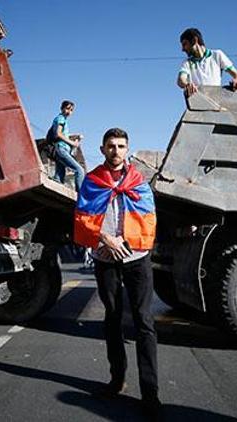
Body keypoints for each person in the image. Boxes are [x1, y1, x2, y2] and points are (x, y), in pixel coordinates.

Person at [73, 128, 160, 418]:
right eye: (111, 146)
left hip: (137, 257)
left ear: (128, 149)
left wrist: (127, 240)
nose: (116, 151)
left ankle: (150, 392)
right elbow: (83, 217)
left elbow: (148, 218)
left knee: (144, 321)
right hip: (105, 256)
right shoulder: (92, 181)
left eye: (121, 146)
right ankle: (117, 379)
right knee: (112, 317)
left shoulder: (138, 181)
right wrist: (105, 238)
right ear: (102, 149)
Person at [177, 28, 237, 97]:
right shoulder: (187, 62)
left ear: (194, 40)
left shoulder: (217, 55)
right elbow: (180, 80)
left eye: (185, 44)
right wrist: (187, 84)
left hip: (216, 102)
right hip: (197, 103)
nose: (183, 49)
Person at [47, 100, 85, 190]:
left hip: (63, 149)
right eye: (67, 109)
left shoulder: (63, 120)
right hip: (61, 149)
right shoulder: (61, 118)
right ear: (62, 108)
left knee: (59, 178)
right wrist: (72, 143)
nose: (69, 112)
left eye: (71, 110)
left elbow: (62, 134)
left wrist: (75, 136)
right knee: (79, 170)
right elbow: (58, 134)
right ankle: (80, 196)